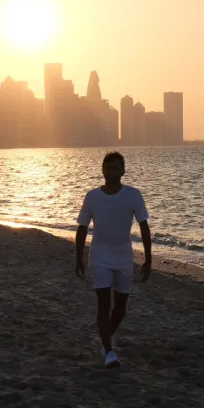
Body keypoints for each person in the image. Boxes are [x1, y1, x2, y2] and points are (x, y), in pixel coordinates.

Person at [75, 151, 152, 368]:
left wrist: (148, 258)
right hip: (99, 256)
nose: (112, 172)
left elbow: (144, 227)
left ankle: (106, 338)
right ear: (102, 171)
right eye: (108, 168)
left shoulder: (133, 195)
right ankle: (109, 352)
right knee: (103, 304)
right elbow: (82, 228)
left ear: (123, 171)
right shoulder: (92, 197)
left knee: (120, 307)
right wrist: (79, 258)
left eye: (116, 168)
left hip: (124, 258)